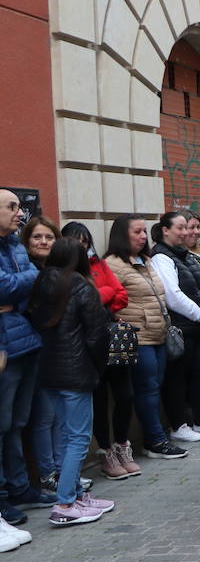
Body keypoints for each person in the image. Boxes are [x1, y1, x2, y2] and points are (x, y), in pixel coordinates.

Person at [27, 239, 115, 527]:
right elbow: (96, 334)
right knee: (77, 438)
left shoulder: (41, 282)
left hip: (48, 370)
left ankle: (77, 496)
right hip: (76, 372)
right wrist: (98, 366)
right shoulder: (81, 286)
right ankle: (65, 502)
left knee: (67, 435)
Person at [105, 215, 187, 461]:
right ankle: (154, 440)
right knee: (147, 388)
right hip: (138, 337)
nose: (143, 237)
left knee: (155, 385)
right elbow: (108, 300)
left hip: (158, 333)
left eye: (143, 232)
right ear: (122, 235)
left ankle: (156, 435)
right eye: (137, 232)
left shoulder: (146, 260)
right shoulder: (112, 264)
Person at [61, 223, 138, 482]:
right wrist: (102, 296)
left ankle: (122, 445)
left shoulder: (99, 264)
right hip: (86, 345)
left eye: (85, 241)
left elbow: (121, 296)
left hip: (111, 338)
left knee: (125, 395)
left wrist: (97, 296)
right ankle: (106, 451)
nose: (81, 247)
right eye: (75, 241)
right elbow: (84, 303)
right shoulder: (64, 273)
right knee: (99, 399)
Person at [0, 189, 51, 527]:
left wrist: (20, 288)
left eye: (19, 206)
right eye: (11, 206)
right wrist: (31, 278)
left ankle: (20, 487)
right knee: (2, 425)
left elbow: (16, 289)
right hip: (5, 345)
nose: (20, 213)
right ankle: (4, 496)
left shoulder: (14, 244)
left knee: (17, 423)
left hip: (25, 340)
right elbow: (4, 287)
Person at [150, 212, 200, 442]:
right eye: (180, 228)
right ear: (165, 230)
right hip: (182, 328)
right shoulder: (161, 257)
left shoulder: (186, 255)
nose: (185, 233)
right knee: (177, 379)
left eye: (186, 228)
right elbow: (172, 295)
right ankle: (179, 425)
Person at [20, 217, 62, 493]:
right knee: (44, 416)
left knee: (59, 416)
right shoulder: (27, 272)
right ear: (27, 242)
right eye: (37, 237)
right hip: (36, 350)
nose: (44, 242)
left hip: (59, 351)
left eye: (49, 237)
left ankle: (62, 470)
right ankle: (48, 474)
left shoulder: (57, 270)